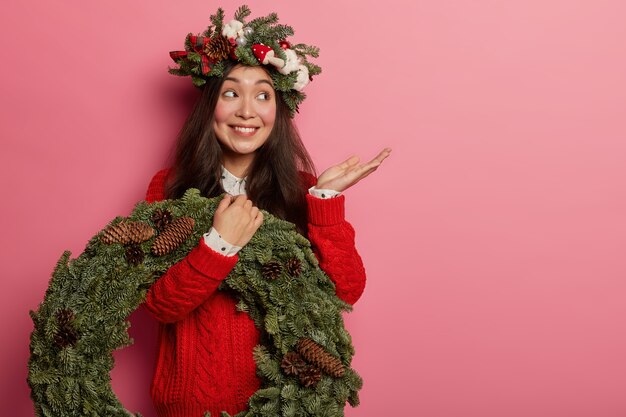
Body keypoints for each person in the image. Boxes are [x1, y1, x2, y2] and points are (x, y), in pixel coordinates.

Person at [142, 6, 391, 417]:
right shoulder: (168, 188)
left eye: (263, 95)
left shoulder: (302, 190)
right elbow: (160, 303)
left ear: (278, 112)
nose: (246, 111)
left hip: (288, 404)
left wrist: (324, 201)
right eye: (231, 93)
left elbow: (346, 290)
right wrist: (219, 244)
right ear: (211, 106)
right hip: (194, 403)